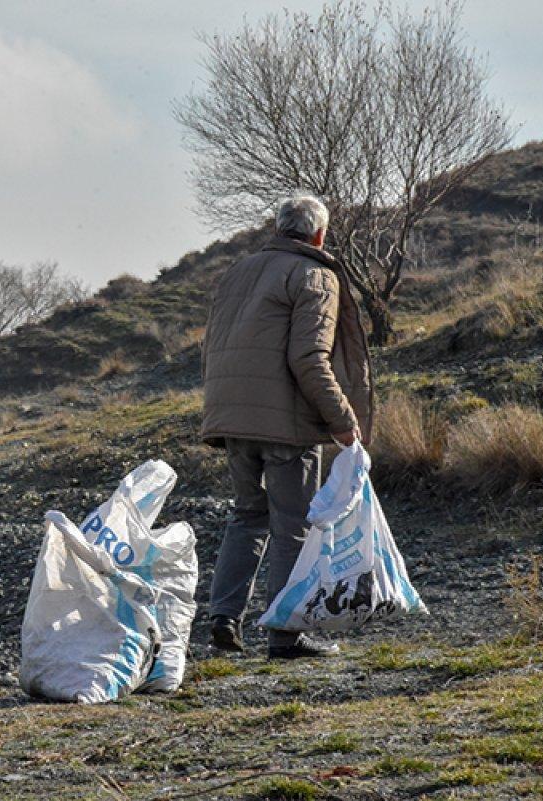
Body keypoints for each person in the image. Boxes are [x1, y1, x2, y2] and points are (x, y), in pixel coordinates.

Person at [200, 193, 373, 660]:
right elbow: (309, 358)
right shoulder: (315, 274)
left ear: (277, 228)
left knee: (246, 515)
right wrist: (343, 421)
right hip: (285, 424)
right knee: (292, 524)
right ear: (319, 234)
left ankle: (224, 617)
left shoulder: (237, 272)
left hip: (231, 416)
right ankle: (286, 633)